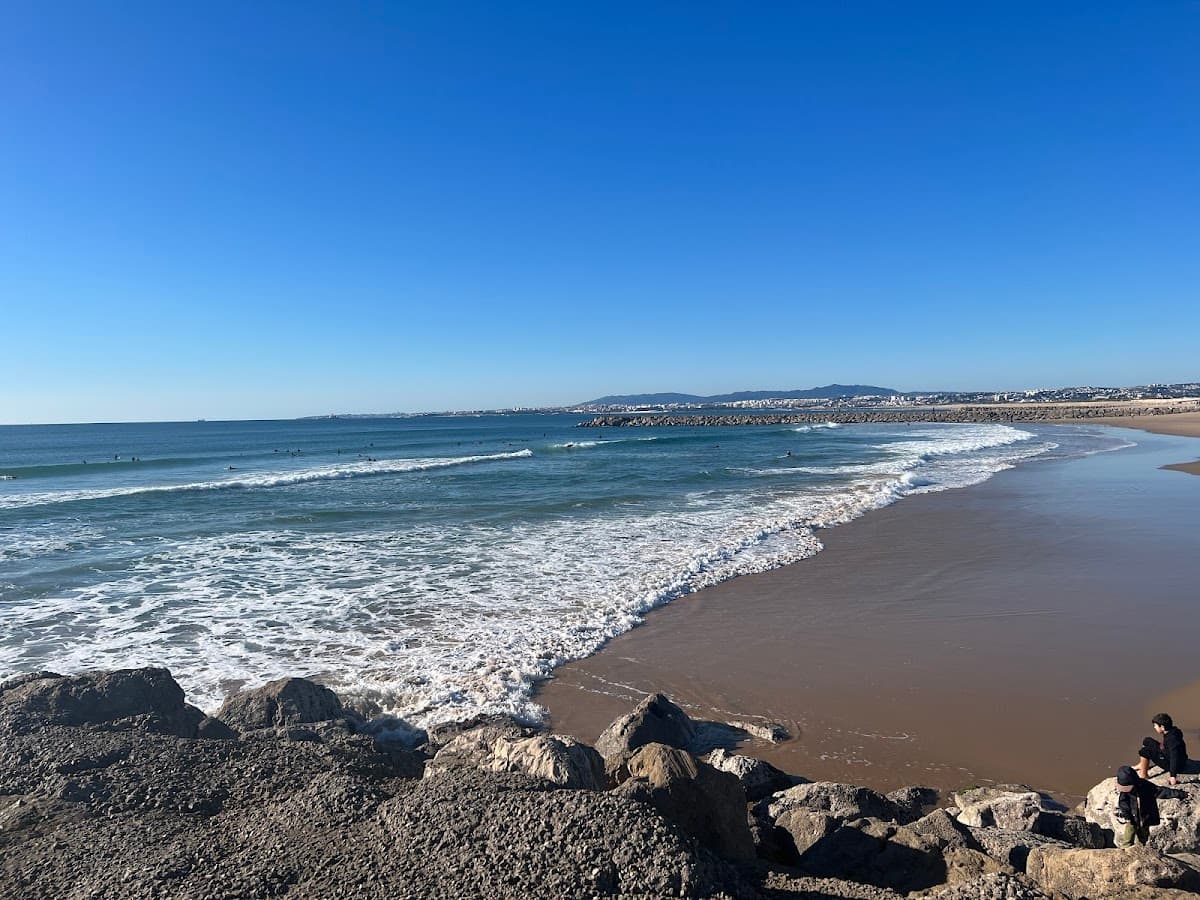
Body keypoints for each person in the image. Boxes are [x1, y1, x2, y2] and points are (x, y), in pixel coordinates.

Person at [1138, 713, 1189, 786]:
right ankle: (1142, 764)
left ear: (1162, 727)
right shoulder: (1174, 731)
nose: (1154, 727)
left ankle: (1144, 775)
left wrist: (1173, 776)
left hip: (1175, 765)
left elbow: (1174, 756)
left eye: (1155, 725)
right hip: (1166, 752)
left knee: (1145, 751)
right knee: (1147, 740)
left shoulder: (1172, 740)